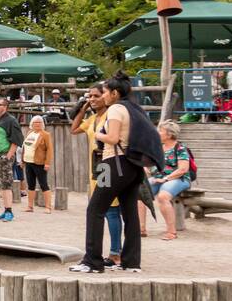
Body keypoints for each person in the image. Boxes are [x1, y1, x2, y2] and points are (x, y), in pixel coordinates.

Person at [72, 71, 144, 274]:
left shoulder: (114, 110)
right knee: (130, 213)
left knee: (95, 209)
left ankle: (92, 261)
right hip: (131, 165)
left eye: (102, 93)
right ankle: (131, 262)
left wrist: (99, 134)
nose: (99, 97)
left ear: (113, 93)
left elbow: (111, 138)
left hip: (110, 164)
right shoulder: (134, 109)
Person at [71, 84, 123, 267]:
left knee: (111, 209)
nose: (92, 99)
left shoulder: (111, 116)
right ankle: (110, 252)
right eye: (90, 96)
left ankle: (116, 253)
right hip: (96, 166)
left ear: (106, 96)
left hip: (107, 165)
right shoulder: (92, 119)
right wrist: (84, 108)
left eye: (96, 96)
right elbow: (74, 129)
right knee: (102, 208)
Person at [139, 119, 191, 242]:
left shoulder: (180, 148)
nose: (157, 133)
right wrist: (145, 169)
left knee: (163, 196)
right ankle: (141, 229)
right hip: (158, 178)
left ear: (169, 134)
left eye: (160, 131)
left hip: (178, 178)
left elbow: (183, 169)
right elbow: (147, 163)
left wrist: (165, 179)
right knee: (139, 194)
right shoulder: (157, 147)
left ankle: (171, 231)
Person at [0, 97, 23, 222]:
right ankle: (5, 209)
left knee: (6, 184)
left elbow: (17, 139)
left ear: (5, 107)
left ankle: (9, 211)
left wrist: (8, 157)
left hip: (3, 156)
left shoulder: (11, 120)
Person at [22, 116, 54, 214]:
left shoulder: (45, 135)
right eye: (35, 122)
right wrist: (22, 160)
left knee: (43, 184)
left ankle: (48, 207)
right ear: (32, 124)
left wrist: (47, 163)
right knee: (30, 185)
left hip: (39, 163)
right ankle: (30, 206)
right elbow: (25, 147)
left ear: (42, 124)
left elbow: (49, 150)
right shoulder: (29, 133)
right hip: (28, 162)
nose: (37, 124)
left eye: (39, 122)